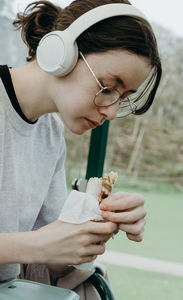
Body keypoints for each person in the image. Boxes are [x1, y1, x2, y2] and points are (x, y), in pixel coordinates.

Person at [0, 0, 162, 298]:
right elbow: (39, 245)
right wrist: (36, 245)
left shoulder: (50, 133)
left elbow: (56, 261)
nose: (112, 112)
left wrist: (99, 225)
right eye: (109, 86)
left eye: (123, 97)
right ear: (61, 52)